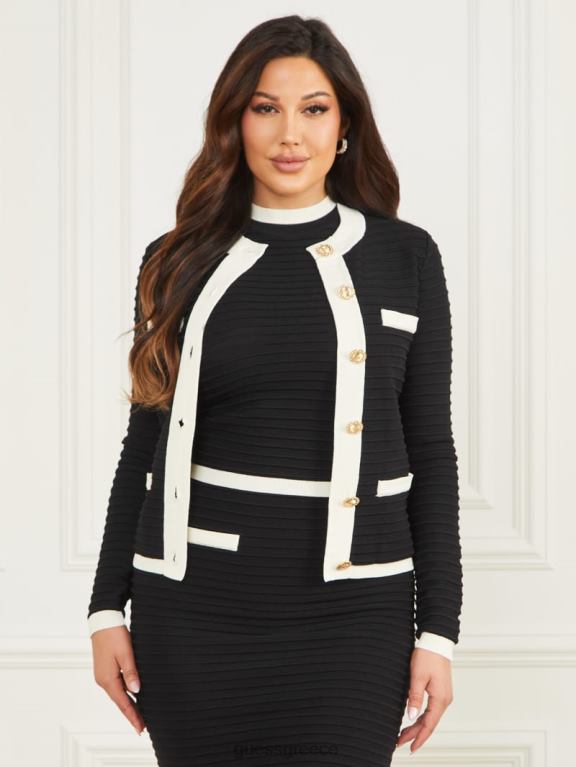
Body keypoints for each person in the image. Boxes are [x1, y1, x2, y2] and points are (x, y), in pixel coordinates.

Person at [87, 14, 463, 767]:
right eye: (266, 108)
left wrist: (439, 633)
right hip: (193, 612)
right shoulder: (175, 261)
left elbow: (431, 449)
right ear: (235, 121)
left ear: (345, 126)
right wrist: (105, 610)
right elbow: (144, 447)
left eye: (314, 109)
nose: (290, 134)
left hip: (357, 617)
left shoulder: (407, 258)